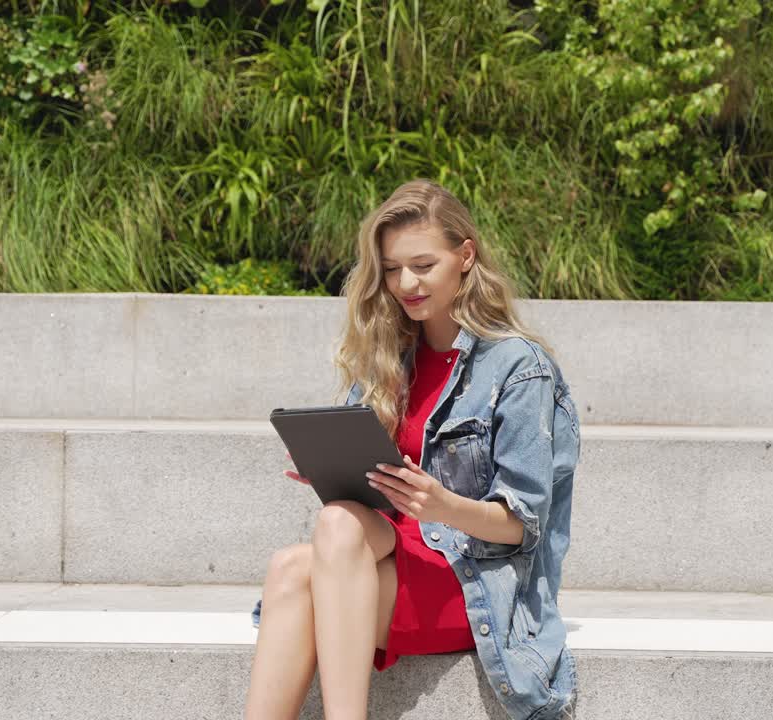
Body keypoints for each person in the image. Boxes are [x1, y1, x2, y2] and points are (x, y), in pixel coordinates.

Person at [246, 178, 581, 720]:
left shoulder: (519, 368)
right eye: (393, 268)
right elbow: (372, 512)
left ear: (465, 256)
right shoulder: (389, 357)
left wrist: (439, 503)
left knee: (306, 561)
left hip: (473, 579)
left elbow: (521, 526)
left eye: (423, 265)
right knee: (308, 548)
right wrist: (340, 471)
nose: (406, 282)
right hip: (393, 556)